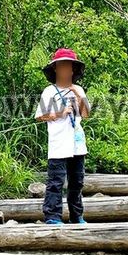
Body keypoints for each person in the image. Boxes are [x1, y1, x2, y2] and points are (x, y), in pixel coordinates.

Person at [34, 48, 91, 225]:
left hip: (77, 144)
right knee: (56, 182)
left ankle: (77, 216)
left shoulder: (79, 89)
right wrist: (59, 113)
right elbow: (39, 116)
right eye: (62, 66)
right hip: (58, 144)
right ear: (56, 69)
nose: (66, 70)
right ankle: (52, 216)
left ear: (73, 70)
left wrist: (76, 94)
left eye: (69, 66)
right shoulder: (49, 91)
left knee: (77, 183)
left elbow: (86, 114)